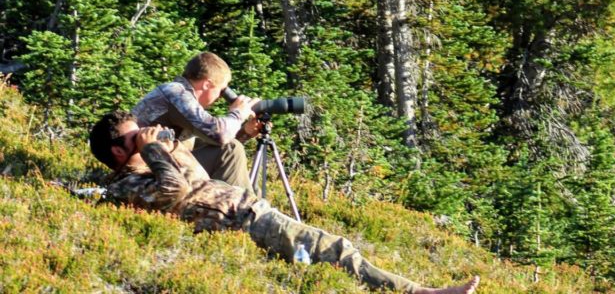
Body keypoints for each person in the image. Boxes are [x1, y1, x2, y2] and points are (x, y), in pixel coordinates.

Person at [89, 112, 480, 294]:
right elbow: (173, 190)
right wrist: (154, 148)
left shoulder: (151, 166)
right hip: (240, 222)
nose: (143, 137)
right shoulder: (126, 185)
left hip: (247, 211)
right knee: (338, 250)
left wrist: (167, 143)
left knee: (333, 252)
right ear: (117, 151)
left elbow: (193, 168)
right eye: (132, 137)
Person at [132, 51, 259, 192]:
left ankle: (248, 205)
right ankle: (246, 211)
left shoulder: (182, 99)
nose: (219, 97)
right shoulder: (176, 93)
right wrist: (238, 114)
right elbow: (221, 136)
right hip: (147, 171)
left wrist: (245, 132)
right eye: (221, 90)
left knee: (234, 156)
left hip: (157, 165)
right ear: (206, 84)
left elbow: (212, 143)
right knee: (231, 150)